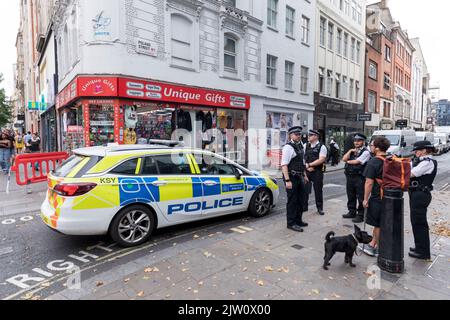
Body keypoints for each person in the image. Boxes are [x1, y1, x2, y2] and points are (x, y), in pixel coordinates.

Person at [408, 140, 438, 260]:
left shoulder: (427, 162)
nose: (415, 153)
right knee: (416, 222)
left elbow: (411, 174)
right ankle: (419, 247)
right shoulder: (419, 161)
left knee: (420, 223)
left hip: (421, 194)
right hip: (416, 193)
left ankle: (423, 252)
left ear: (424, 151)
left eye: (417, 150)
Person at [362, 136, 391, 257]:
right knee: (379, 223)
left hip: (378, 197)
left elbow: (369, 182)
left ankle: (380, 250)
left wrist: (365, 199)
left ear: (377, 148)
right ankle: (372, 244)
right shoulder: (391, 158)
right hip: (390, 197)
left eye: (372, 145)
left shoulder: (373, 162)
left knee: (378, 224)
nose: (371, 147)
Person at [281, 126, 309, 232]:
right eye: (296, 134)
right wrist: (287, 181)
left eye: (299, 134)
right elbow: (284, 165)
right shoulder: (288, 148)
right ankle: (291, 223)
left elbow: (302, 162)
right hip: (291, 177)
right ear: (291, 135)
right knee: (292, 201)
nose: (298, 136)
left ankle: (298, 220)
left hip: (300, 176)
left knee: (301, 199)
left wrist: (305, 175)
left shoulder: (300, 145)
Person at [342, 133, 371, 223]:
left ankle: (361, 215)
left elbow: (356, 161)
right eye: (355, 141)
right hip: (350, 176)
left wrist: (348, 161)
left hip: (359, 177)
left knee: (360, 197)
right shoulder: (353, 150)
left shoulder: (366, 152)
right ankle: (352, 212)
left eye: (359, 141)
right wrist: (350, 151)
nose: (356, 142)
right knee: (350, 195)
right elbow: (344, 159)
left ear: (363, 141)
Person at [304, 130, 328, 216]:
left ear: (316, 136)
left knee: (318, 190)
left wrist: (310, 165)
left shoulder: (322, 147)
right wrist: (306, 167)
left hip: (317, 172)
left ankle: (319, 208)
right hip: (307, 171)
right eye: (309, 135)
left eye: (311, 135)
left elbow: (321, 159)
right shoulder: (305, 145)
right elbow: (303, 158)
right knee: (305, 189)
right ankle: (304, 206)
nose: (308, 136)